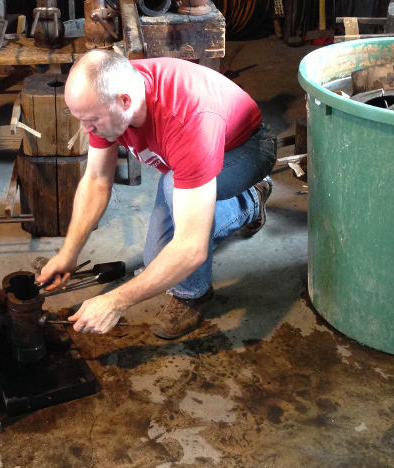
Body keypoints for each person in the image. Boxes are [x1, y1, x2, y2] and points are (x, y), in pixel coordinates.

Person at [37, 50, 276, 338]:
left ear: (125, 101)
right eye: (81, 119)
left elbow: (192, 247)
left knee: (177, 210)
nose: (87, 129)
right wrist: (69, 253)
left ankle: (197, 290)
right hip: (191, 154)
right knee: (157, 261)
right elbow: (98, 179)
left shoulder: (186, 121)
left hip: (246, 148)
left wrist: (114, 301)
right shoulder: (104, 97)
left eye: (91, 121)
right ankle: (216, 195)